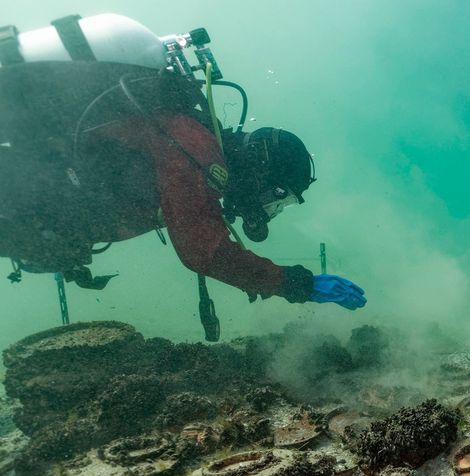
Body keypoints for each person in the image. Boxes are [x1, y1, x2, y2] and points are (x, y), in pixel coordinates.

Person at [0, 14, 365, 313]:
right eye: (277, 197)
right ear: (261, 167)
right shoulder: (195, 147)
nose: (269, 210)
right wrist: (296, 283)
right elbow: (203, 251)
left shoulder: (189, 136)